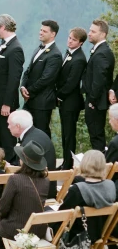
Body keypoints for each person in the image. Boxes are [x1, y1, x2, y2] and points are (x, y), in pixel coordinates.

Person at [0, 140, 50, 249]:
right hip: (38, 229)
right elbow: (28, 200)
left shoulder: (15, 179)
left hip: (18, 231)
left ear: (23, 161)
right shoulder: (46, 181)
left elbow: (4, 209)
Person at [0, 14, 25, 162]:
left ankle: (11, 171)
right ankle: (1, 170)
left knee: (7, 141)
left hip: (4, 104)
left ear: (2, 27)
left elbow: (14, 79)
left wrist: (7, 103)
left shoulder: (15, 49)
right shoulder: (3, 45)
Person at [58, 150, 116, 243]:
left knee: (50, 215)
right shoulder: (111, 185)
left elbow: (62, 214)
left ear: (84, 164)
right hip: (100, 232)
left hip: (79, 235)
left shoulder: (78, 190)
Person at [20, 20, 62, 138]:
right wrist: (23, 86)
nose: (41, 32)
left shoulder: (55, 54)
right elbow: (28, 70)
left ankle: (47, 156)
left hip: (42, 102)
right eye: (40, 30)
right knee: (25, 131)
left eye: (44, 31)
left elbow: (46, 79)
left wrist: (29, 91)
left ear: (53, 34)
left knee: (41, 133)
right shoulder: (38, 49)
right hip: (30, 100)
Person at [56, 27, 87, 170]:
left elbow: (72, 83)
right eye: (69, 38)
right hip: (65, 101)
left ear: (80, 43)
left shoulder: (79, 59)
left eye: (74, 40)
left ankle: (68, 164)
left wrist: (58, 95)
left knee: (69, 134)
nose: (70, 41)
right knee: (65, 133)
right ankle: (65, 161)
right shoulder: (69, 53)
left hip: (71, 102)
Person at [7, 109, 58, 197]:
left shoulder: (30, 144)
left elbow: (25, 170)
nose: (8, 127)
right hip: (48, 185)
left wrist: (8, 167)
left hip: (38, 191)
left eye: (9, 124)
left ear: (18, 126)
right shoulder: (38, 133)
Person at [82, 19, 116, 152]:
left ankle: (100, 167)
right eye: (90, 30)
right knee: (95, 135)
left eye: (93, 31)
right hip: (95, 101)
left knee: (97, 137)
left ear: (103, 34)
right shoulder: (99, 50)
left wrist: (92, 101)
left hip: (96, 103)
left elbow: (99, 80)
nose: (89, 33)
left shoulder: (102, 53)